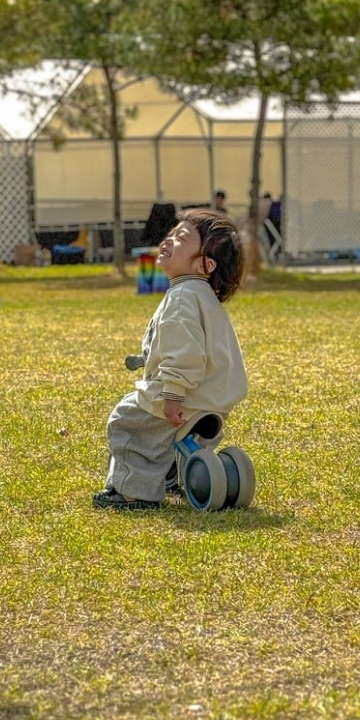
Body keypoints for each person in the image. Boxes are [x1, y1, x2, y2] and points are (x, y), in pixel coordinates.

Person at [93, 209, 248, 510]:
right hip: (213, 403)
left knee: (128, 422)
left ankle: (133, 491)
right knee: (171, 436)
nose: (169, 240)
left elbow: (185, 353)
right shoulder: (205, 299)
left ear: (205, 264)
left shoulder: (181, 297)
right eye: (172, 233)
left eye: (182, 238)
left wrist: (173, 394)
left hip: (185, 397)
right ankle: (177, 474)